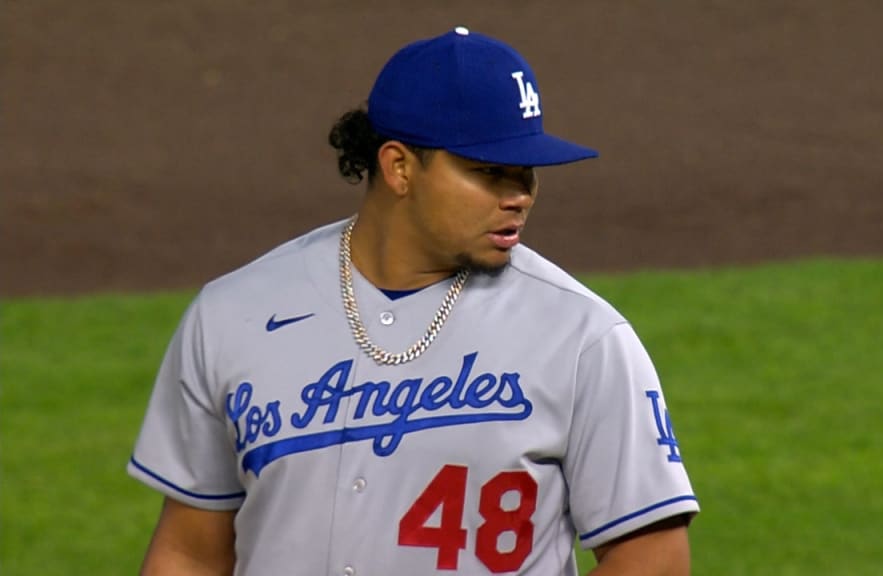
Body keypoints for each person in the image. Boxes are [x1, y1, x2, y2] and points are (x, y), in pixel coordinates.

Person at [128, 26, 699, 575]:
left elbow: (653, 560)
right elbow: (191, 555)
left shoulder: (583, 338)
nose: (520, 194)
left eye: (527, 171)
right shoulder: (233, 315)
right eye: (489, 171)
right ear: (399, 166)